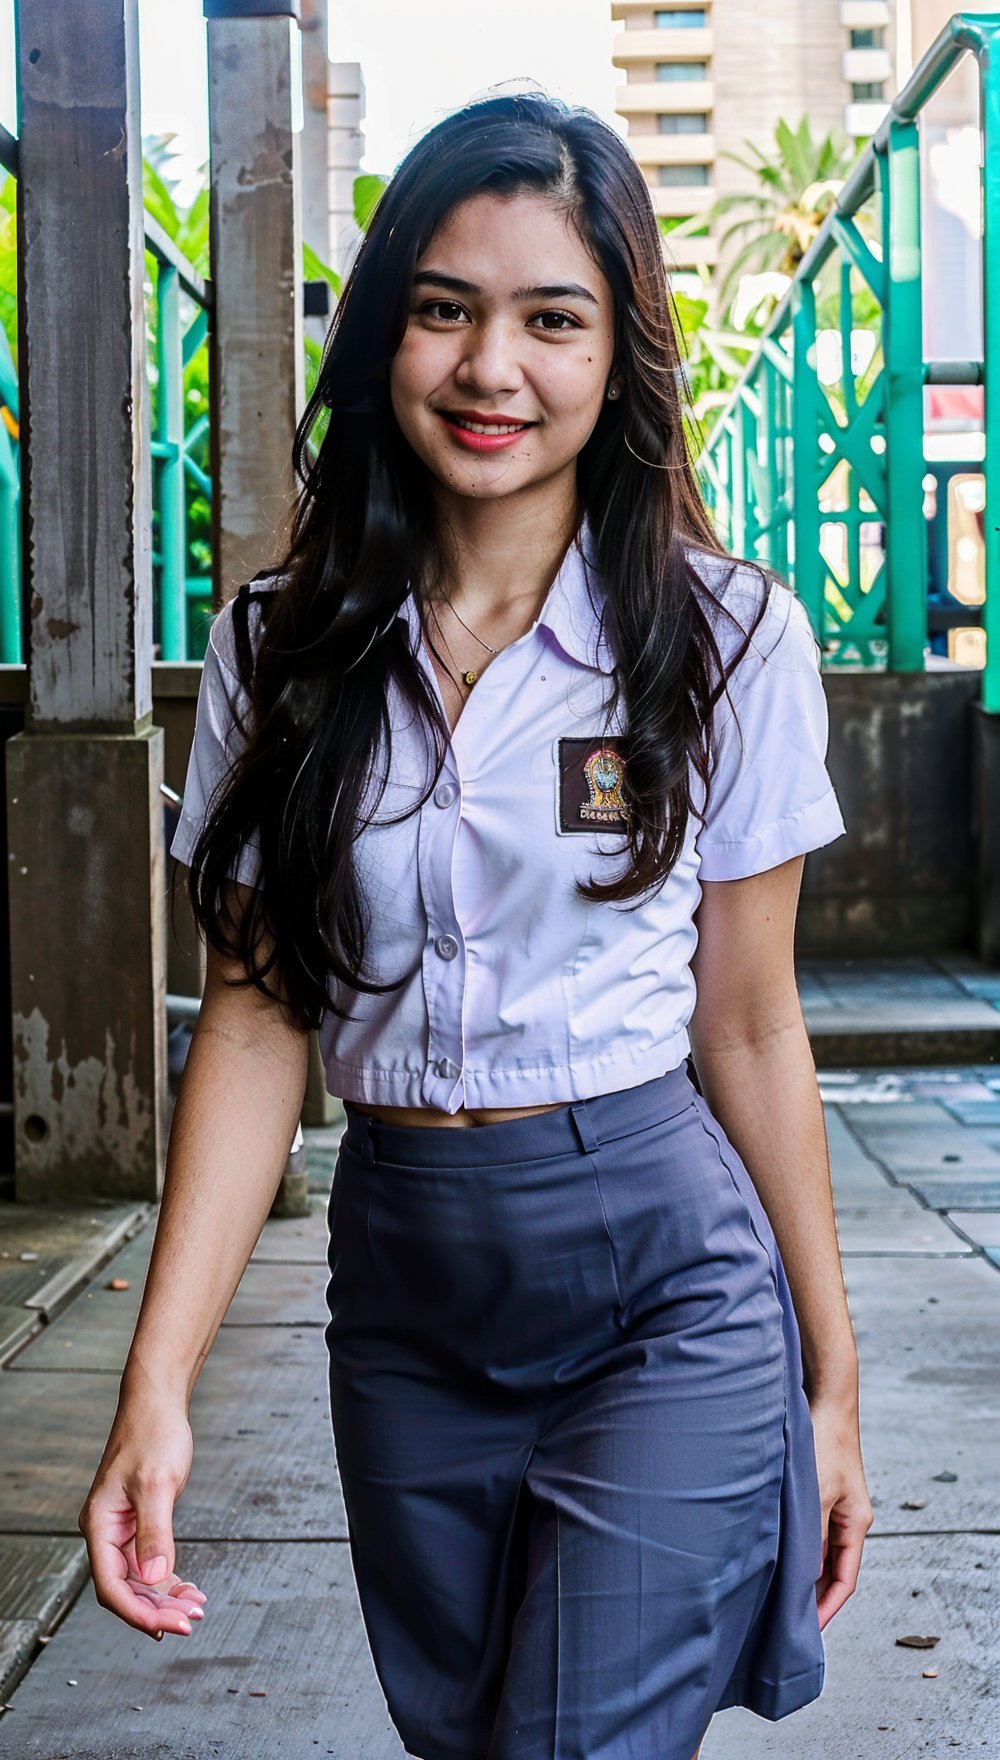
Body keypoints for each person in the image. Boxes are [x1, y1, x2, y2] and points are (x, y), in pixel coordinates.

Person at [78, 90, 873, 1760]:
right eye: (446, 308)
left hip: (663, 1288)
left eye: (552, 319)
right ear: (385, 334)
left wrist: (832, 1375)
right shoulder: (278, 651)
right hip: (406, 1294)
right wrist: (156, 1385)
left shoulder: (725, 640)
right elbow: (254, 1016)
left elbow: (750, 1024)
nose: (491, 366)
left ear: (618, 353)